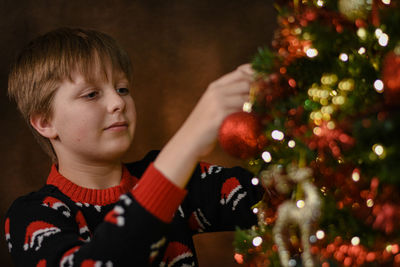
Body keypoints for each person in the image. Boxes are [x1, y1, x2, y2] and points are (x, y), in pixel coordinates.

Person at [4, 27, 264, 267]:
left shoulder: (180, 178)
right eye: (91, 94)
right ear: (45, 122)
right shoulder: (31, 216)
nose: (118, 101)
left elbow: (275, 197)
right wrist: (189, 139)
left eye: (122, 88)